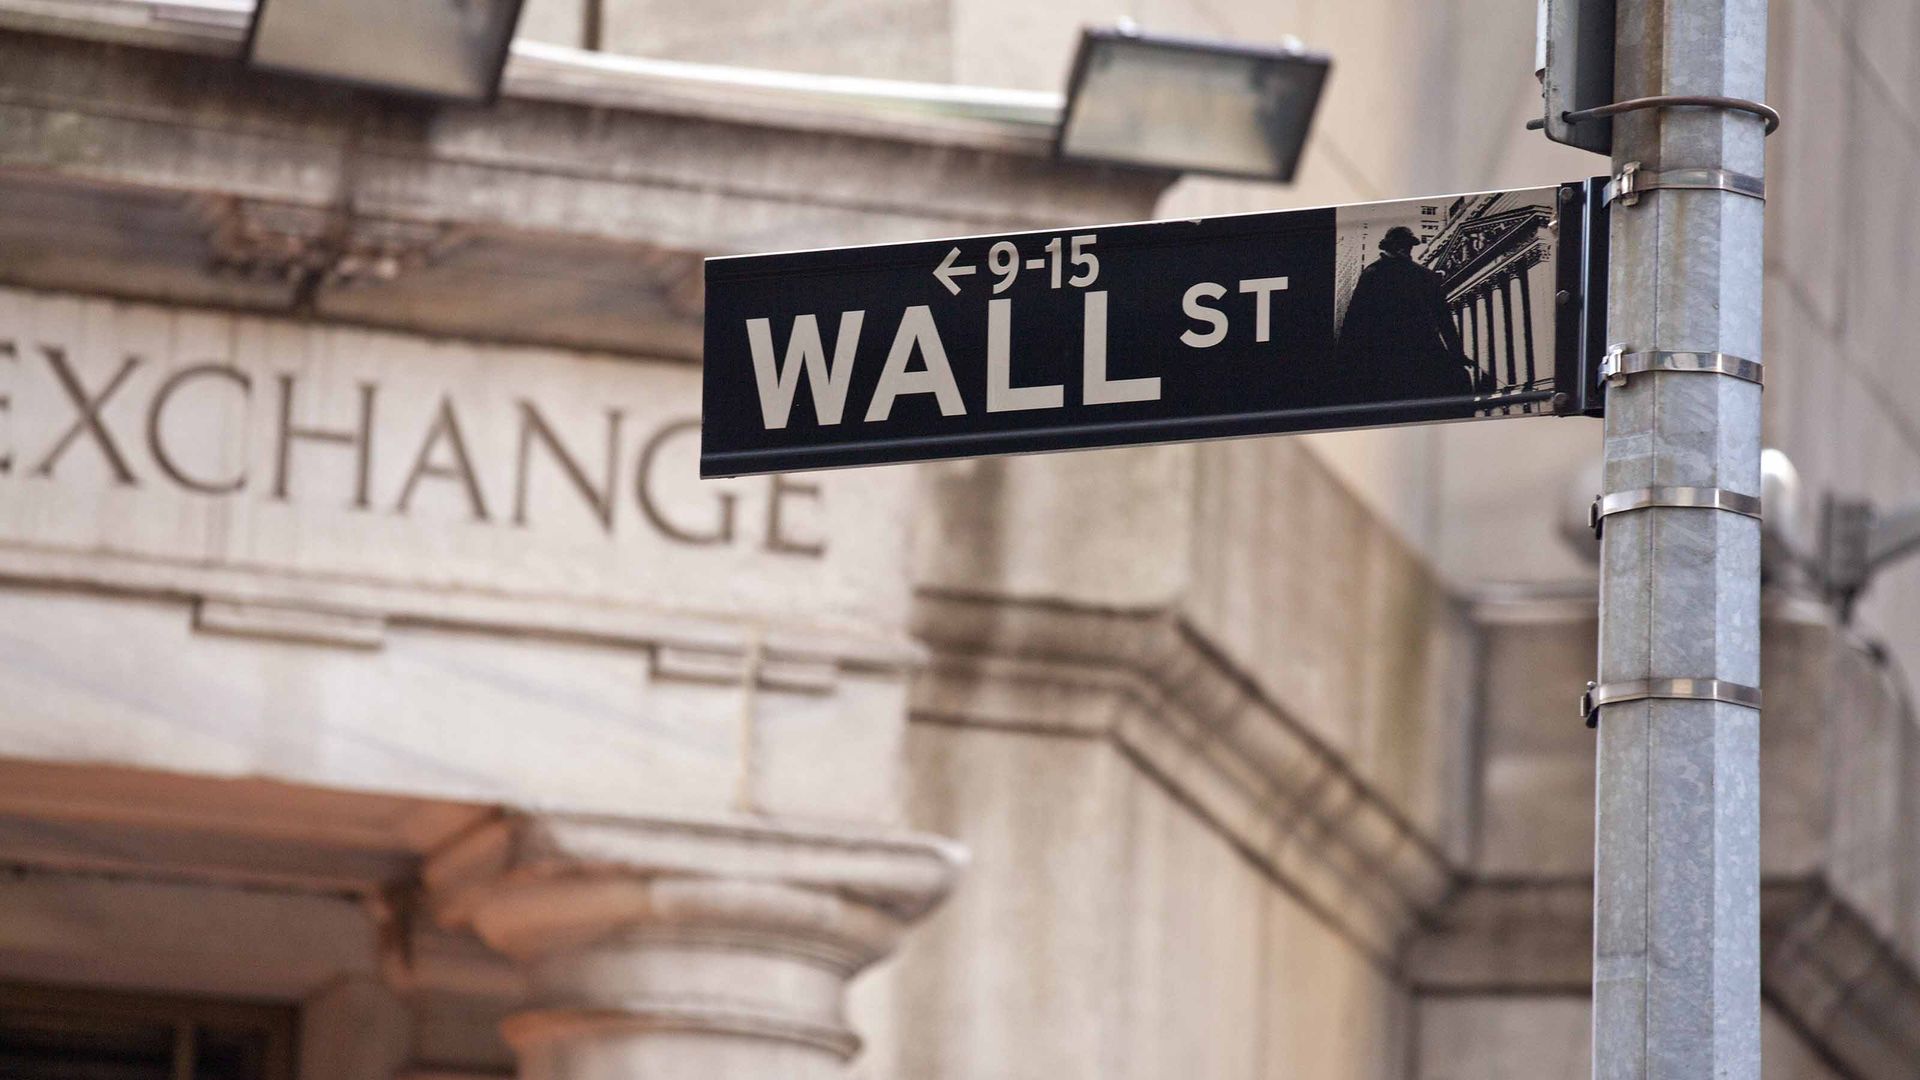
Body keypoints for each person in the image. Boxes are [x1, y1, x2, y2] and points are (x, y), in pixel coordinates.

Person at [1335, 226, 1476, 402]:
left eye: (1408, 245)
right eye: (1400, 244)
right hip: (1392, 355)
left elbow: (1444, 318)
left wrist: (1458, 354)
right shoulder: (1376, 274)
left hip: (1410, 353)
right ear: (1390, 246)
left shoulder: (1419, 275)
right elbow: (1355, 320)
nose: (1405, 248)